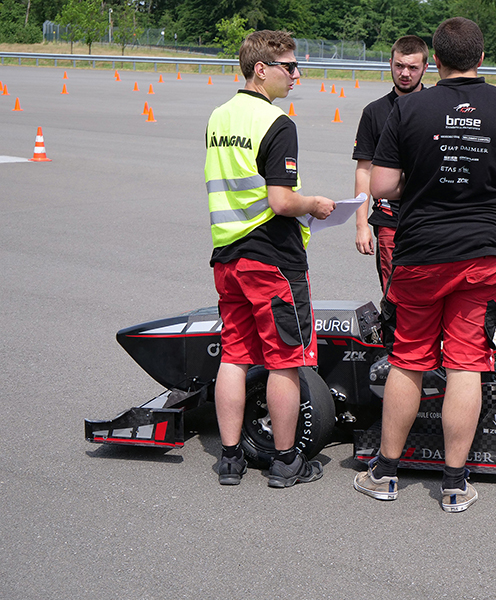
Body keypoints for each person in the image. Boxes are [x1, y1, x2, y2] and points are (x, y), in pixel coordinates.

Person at [353, 17, 496, 512]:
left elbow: (381, 185)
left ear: (434, 61)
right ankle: (456, 483)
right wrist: (490, 180)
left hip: (420, 254)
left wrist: (422, 182)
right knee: (466, 364)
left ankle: (387, 474)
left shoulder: (410, 108)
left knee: (409, 359)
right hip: (482, 254)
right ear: (482, 58)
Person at [204, 30, 336, 486]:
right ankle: (285, 462)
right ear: (261, 69)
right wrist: (315, 204)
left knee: (235, 357)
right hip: (271, 258)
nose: (296, 75)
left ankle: (229, 458)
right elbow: (281, 200)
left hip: (227, 256)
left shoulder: (219, 117)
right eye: (289, 66)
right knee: (285, 360)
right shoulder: (277, 123)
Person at [352, 35, 429, 292]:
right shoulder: (374, 112)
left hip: (431, 219)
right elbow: (364, 170)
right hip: (389, 222)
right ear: (390, 64)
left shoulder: (437, 108)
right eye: (399, 66)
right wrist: (362, 225)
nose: (405, 73)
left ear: (425, 68)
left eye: (412, 67)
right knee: (394, 296)